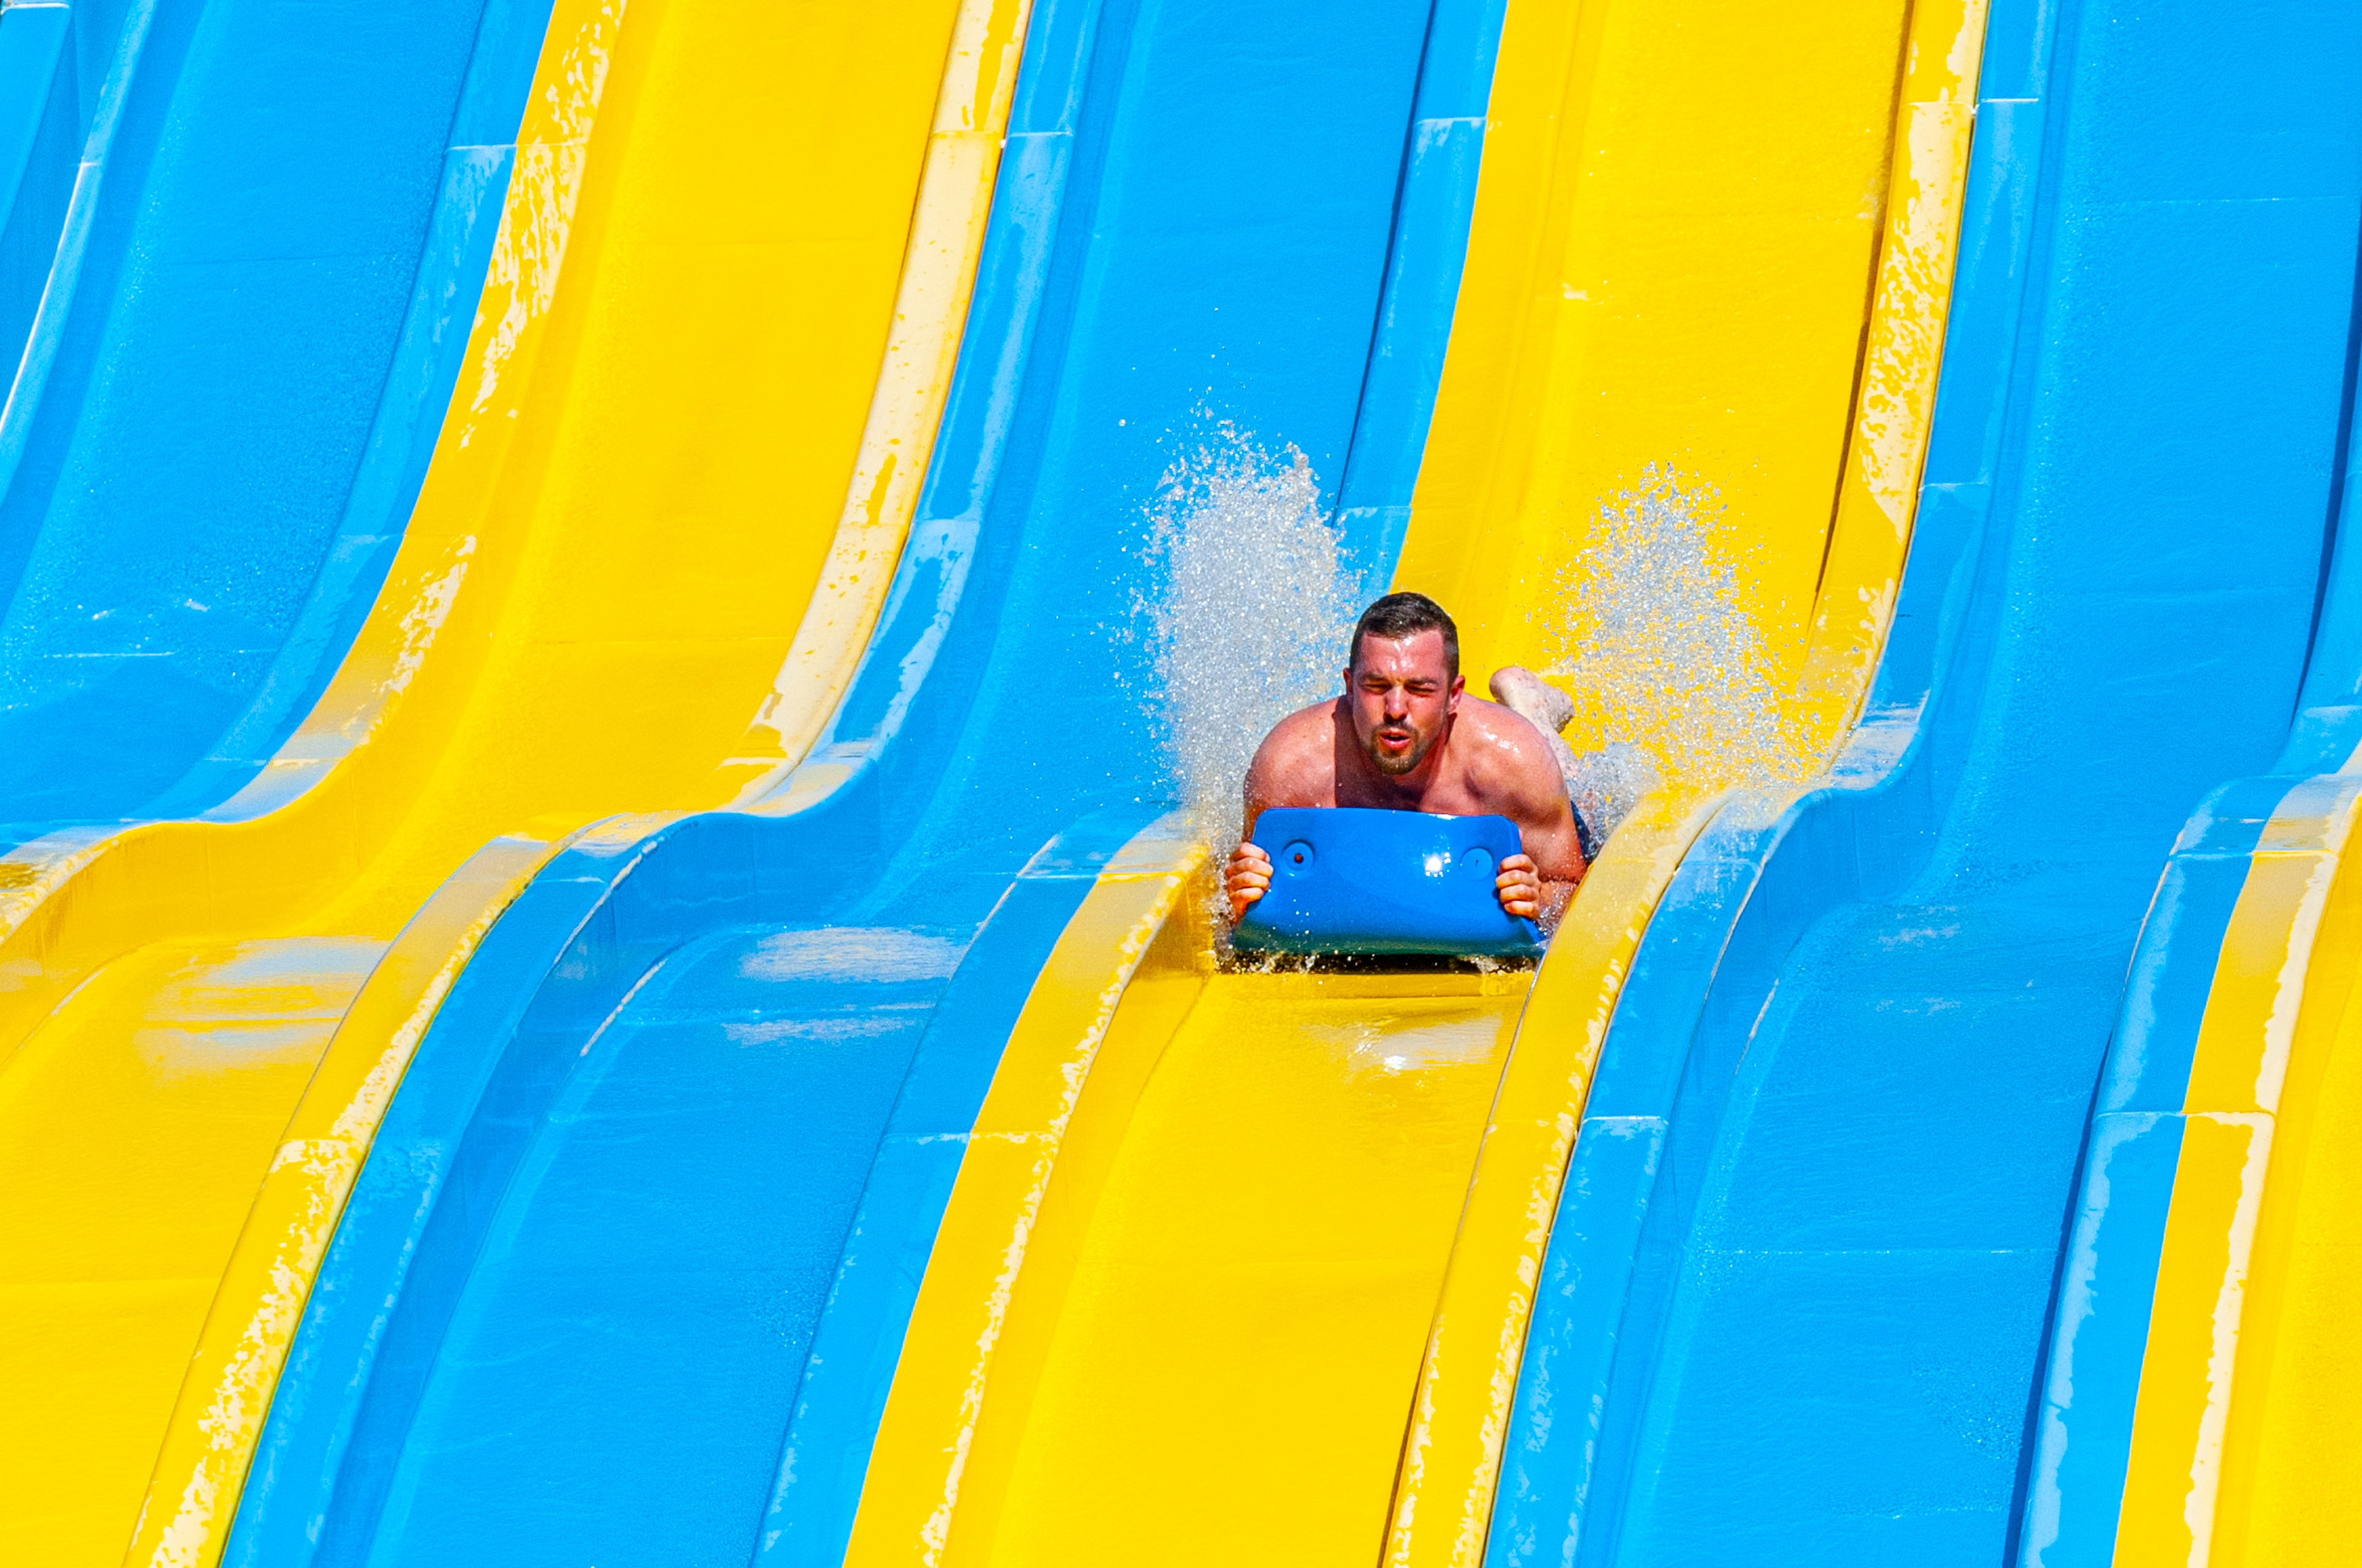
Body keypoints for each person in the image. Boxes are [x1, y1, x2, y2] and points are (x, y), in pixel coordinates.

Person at [1225, 591, 1588, 928]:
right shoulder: (1290, 767)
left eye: (1420, 689)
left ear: (1454, 695)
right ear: (1350, 687)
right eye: (1377, 687)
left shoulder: (1513, 760)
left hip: (1523, 754)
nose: (1396, 709)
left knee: (1584, 789)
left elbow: (1573, 885)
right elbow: (1239, 906)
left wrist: (1539, 897)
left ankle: (1532, 711)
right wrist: (1241, 896)